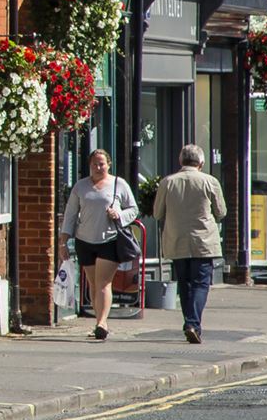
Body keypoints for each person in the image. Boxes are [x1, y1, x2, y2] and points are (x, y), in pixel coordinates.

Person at [59, 149, 138, 341]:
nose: (98, 167)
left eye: (102, 163)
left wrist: (119, 215)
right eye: (94, 164)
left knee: (103, 282)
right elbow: (70, 214)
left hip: (109, 239)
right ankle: (98, 322)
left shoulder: (118, 184)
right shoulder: (80, 186)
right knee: (93, 284)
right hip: (84, 240)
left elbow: (133, 209)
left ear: (109, 164)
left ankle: (102, 322)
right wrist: (63, 240)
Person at [153, 144, 227, 345]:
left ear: (181, 161)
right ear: (201, 163)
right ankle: (192, 323)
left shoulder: (168, 182)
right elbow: (221, 212)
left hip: (177, 240)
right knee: (201, 284)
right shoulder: (210, 181)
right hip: (203, 241)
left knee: (185, 284)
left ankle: (190, 323)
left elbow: (157, 213)